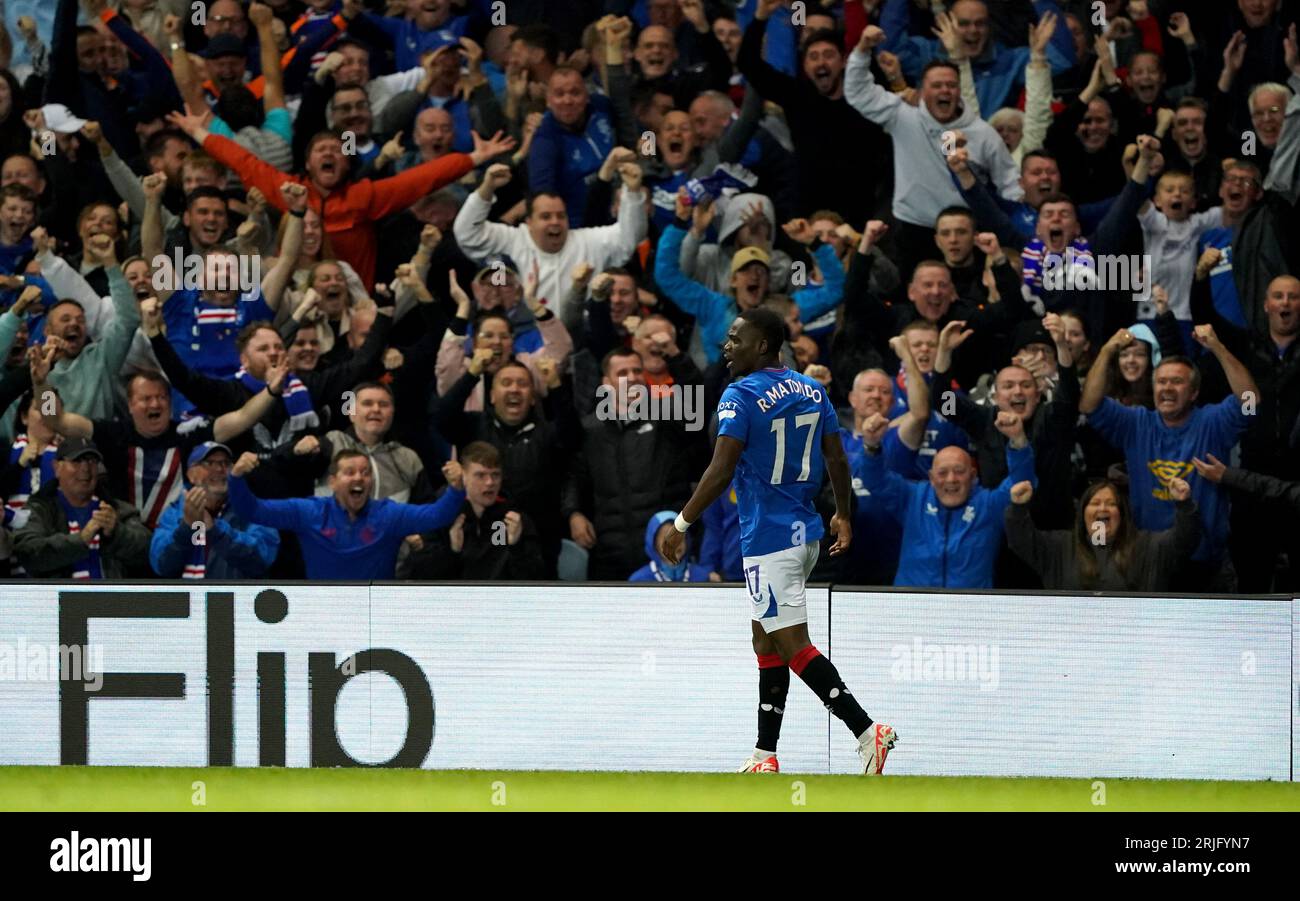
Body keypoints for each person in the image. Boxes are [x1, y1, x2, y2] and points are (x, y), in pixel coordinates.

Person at [660, 307, 898, 776]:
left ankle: (868, 731)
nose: (727, 347)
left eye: (735, 339)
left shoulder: (739, 394)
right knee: (764, 638)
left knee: (793, 646)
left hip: (769, 537)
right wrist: (843, 515)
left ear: (764, 346)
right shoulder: (812, 389)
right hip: (805, 531)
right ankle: (764, 755)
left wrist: (682, 523)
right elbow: (837, 456)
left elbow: (721, 468)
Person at [1080, 324, 1259, 591]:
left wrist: (1217, 349)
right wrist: (1107, 350)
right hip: (1149, 558)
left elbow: (1250, 402)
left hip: (1206, 562)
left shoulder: (1212, 422)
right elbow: (1089, 405)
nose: (1167, 388)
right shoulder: (1137, 423)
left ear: (1194, 392)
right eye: (1161, 382)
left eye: (1177, 382)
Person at [856, 407, 1037, 589]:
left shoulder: (988, 505)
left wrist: (1018, 440)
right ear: (932, 478)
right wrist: (871, 445)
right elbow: (875, 479)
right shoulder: (913, 498)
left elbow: (1022, 484)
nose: (951, 479)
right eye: (942, 473)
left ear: (973, 475)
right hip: (911, 609)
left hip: (969, 610)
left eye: (959, 471)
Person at [225, 448, 466, 580]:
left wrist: (456, 489)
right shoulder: (308, 512)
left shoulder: (390, 515)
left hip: (376, 616)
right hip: (324, 617)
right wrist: (235, 478)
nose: (359, 477)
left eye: (364, 472)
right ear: (332, 482)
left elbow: (437, 516)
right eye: (350, 472)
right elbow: (252, 510)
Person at [1005, 476, 1200, 591]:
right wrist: (1018, 509)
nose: (1103, 508)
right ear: (1082, 513)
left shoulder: (1148, 546)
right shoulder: (1059, 547)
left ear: (1122, 514)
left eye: (1111, 503)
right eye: (1095, 503)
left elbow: (1185, 541)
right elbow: (1022, 540)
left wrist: (1184, 504)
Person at [12, 436, 152, 579]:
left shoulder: (118, 510)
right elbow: (27, 553)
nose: (85, 468)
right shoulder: (38, 510)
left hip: (112, 600)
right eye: (77, 461)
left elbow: (149, 552)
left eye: (92, 461)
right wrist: (81, 540)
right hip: (58, 600)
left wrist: (116, 533)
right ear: (57, 467)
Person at [149, 441, 280, 579]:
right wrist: (186, 527)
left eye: (225, 463)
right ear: (190, 474)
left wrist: (216, 530)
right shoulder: (174, 513)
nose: (219, 469)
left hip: (234, 598)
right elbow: (161, 565)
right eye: (209, 463)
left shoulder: (253, 508)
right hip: (188, 599)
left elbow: (262, 559)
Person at [630, 510, 713, 583]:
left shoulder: (702, 576)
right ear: (654, 544)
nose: (675, 544)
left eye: (679, 537)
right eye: (666, 538)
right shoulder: (639, 580)